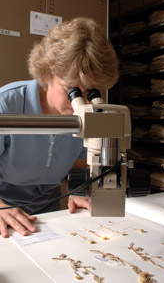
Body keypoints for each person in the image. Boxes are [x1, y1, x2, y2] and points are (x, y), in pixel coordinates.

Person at [0, 17, 119, 238]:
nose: (80, 101)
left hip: (50, 205)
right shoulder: (7, 103)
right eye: (72, 90)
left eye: (90, 92)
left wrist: (77, 192)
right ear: (47, 73)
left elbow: (78, 165)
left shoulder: (85, 113)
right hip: (5, 205)